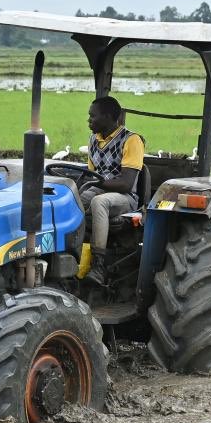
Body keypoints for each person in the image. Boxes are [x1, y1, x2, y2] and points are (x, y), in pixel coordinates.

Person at [79, 96, 144, 286]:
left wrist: (95, 183)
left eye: (93, 116)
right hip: (100, 190)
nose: (89, 120)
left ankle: (98, 266)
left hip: (125, 198)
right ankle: (70, 253)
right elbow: (92, 174)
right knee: (71, 200)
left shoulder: (131, 140)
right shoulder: (94, 140)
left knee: (99, 202)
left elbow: (125, 183)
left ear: (107, 117)